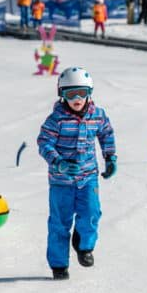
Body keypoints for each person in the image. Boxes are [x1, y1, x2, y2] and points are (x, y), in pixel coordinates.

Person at [37, 67, 116, 280]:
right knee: (59, 222)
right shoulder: (57, 119)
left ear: (89, 92)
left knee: (91, 213)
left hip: (88, 177)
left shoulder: (97, 116)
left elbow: (106, 134)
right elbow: (44, 142)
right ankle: (59, 264)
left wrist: (110, 158)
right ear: (62, 95)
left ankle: (84, 246)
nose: (77, 99)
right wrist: (59, 163)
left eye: (81, 92)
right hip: (61, 181)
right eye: (71, 94)